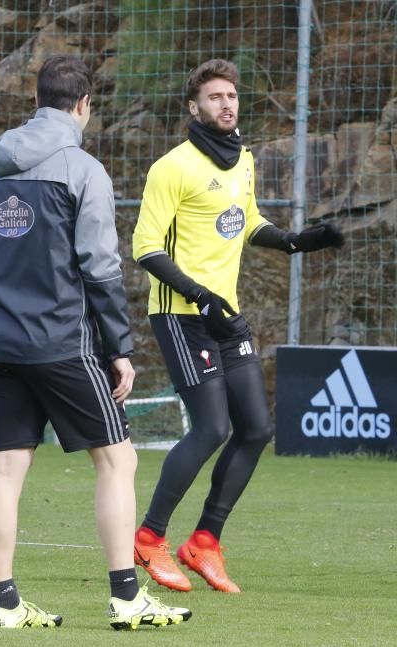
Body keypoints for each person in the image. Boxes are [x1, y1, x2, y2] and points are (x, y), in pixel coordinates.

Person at [0, 54, 191, 630]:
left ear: (38, 97)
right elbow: (100, 266)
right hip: (62, 342)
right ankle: (126, 598)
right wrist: (119, 347)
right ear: (83, 104)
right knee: (117, 460)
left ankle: (6, 604)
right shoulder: (83, 169)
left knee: (5, 469)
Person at [132, 59, 344, 593]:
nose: (226, 104)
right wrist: (198, 295)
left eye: (231, 96)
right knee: (212, 428)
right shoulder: (172, 167)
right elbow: (146, 247)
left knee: (255, 428)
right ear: (193, 108)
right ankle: (149, 537)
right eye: (214, 97)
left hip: (225, 314)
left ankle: (204, 541)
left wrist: (295, 240)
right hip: (183, 315)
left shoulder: (243, 159)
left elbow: (246, 220)